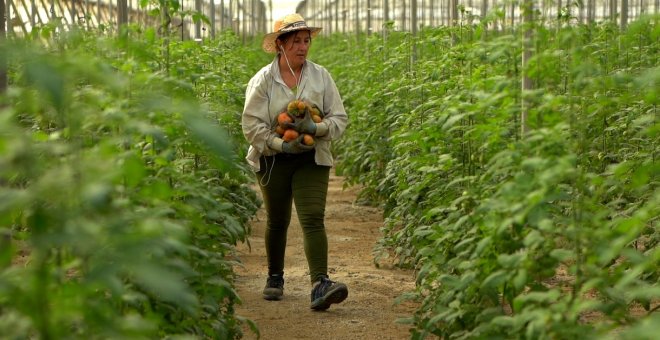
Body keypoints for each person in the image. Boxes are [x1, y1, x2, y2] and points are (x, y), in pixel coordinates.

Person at [241, 13, 349, 311]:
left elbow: (339, 119)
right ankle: (275, 277)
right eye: (296, 42)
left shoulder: (321, 76)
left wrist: (316, 128)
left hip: (312, 157)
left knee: (313, 217)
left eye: (306, 41)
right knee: (277, 220)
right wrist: (280, 144)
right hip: (273, 160)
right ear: (280, 45)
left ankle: (320, 284)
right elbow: (251, 126)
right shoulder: (263, 80)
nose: (303, 47)